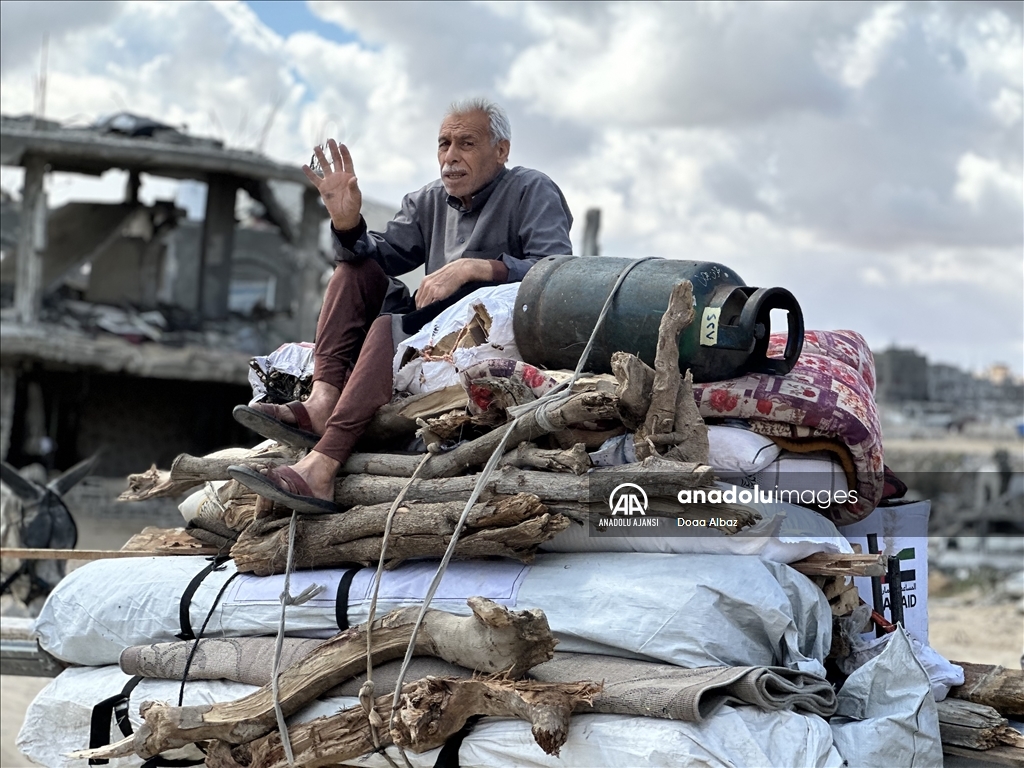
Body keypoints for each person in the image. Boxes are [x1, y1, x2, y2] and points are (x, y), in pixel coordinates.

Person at [230, 98, 573, 512]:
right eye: (444, 144)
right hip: (430, 322)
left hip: (485, 333)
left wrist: (474, 268)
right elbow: (380, 256)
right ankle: (322, 401)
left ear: (501, 151)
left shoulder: (531, 189)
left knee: (388, 328)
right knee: (352, 271)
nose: (450, 157)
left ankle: (321, 467)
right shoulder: (428, 200)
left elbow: (556, 272)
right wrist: (346, 222)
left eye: (466, 143)